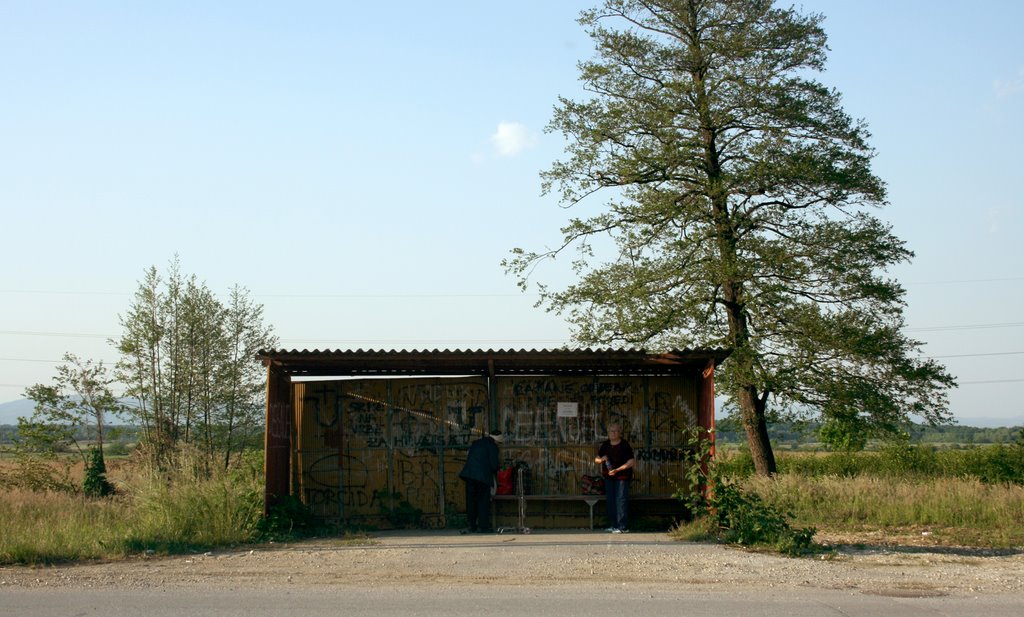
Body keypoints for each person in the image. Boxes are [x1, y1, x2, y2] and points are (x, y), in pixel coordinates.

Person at [595, 422, 635, 533]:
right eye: (611, 431)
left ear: (619, 432)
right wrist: (601, 459)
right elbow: (597, 459)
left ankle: (623, 527)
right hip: (609, 478)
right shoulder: (605, 445)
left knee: (621, 500)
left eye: (616, 431)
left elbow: (631, 462)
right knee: (611, 501)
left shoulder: (624, 445)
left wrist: (617, 470)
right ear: (608, 433)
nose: (613, 433)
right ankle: (614, 525)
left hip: (622, 477)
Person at [459, 429, 501, 533]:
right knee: (483, 502)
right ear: (497, 440)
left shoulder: (476, 443)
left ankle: (471, 525)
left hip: (469, 475)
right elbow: (494, 465)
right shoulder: (493, 446)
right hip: (483, 477)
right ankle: (483, 526)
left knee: (471, 501)